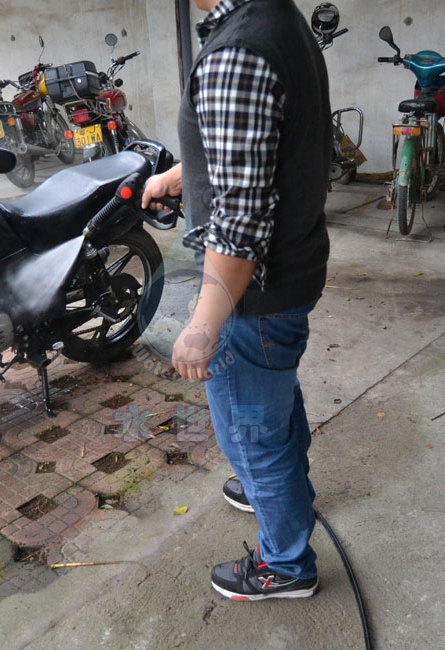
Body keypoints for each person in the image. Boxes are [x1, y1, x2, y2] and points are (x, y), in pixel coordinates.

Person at [142, 0, 332, 601]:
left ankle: (287, 566)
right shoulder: (274, 16)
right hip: (290, 275)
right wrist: (182, 174)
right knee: (273, 405)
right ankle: (276, 492)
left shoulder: (239, 51)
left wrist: (202, 324)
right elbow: (256, 146)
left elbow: (240, 223)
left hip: (255, 296)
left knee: (253, 436)